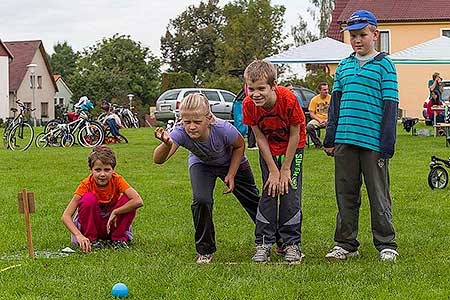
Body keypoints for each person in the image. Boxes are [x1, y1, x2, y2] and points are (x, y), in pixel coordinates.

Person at [323, 10, 399, 261]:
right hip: (345, 140)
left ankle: (386, 243)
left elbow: (390, 106)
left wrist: (387, 144)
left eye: (362, 35)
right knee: (345, 193)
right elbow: (335, 104)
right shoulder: (344, 66)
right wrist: (330, 138)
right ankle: (346, 244)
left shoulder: (385, 65)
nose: (357, 40)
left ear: (375, 34)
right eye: (353, 36)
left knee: (378, 194)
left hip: (373, 143)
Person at [153, 93, 260, 264]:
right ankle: (205, 250)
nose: (192, 127)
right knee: (201, 200)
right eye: (187, 122)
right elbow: (158, 160)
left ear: (209, 118)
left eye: (197, 122)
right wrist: (166, 145)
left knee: (253, 200)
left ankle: (271, 240)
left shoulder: (223, 129)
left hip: (232, 162)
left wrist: (231, 174)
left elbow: (240, 146)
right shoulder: (180, 132)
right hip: (202, 164)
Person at [242, 60, 307, 264]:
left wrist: (285, 169)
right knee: (269, 191)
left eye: (261, 88)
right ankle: (263, 243)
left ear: (273, 85)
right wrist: (273, 170)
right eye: (251, 89)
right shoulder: (248, 105)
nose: (255, 94)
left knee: (289, 192)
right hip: (268, 149)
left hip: (292, 149)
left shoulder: (288, 100)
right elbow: (259, 137)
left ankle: (291, 245)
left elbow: (295, 134)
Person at [62, 145, 144, 253]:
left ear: (113, 170)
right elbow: (65, 216)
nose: (102, 174)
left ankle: (118, 239)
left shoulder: (117, 180)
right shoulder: (86, 184)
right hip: (93, 225)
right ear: (91, 170)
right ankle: (91, 240)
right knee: (88, 199)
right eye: (97, 170)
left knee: (128, 199)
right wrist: (78, 235)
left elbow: (138, 201)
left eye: (107, 170)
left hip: (112, 224)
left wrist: (116, 211)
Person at [306, 82, 330, 148]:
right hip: (318, 119)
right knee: (309, 127)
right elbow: (311, 113)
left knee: (334, 125)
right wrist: (320, 120)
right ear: (319, 91)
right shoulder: (314, 100)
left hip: (329, 119)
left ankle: (330, 144)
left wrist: (326, 120)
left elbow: (334, 112)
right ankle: (318, 144)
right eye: (324, 90)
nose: (326, 91)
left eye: (327, 89)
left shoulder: (331, 98)